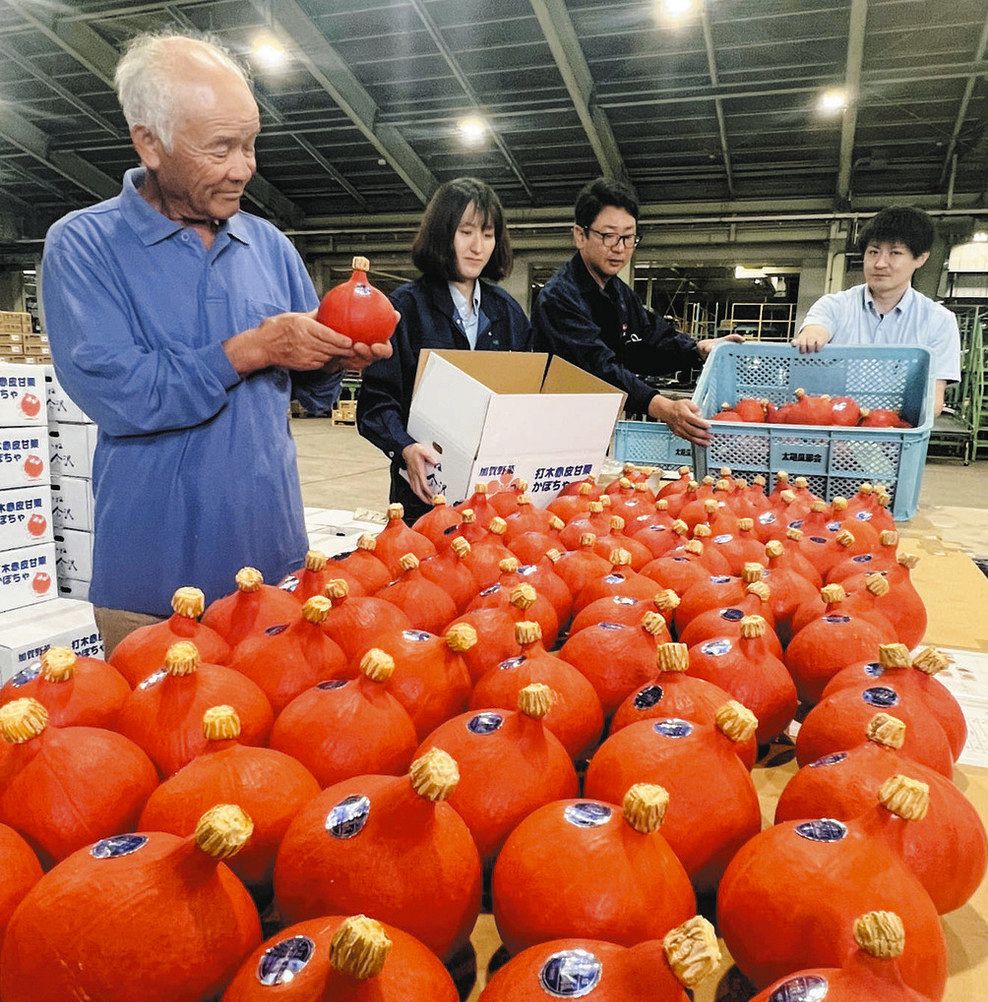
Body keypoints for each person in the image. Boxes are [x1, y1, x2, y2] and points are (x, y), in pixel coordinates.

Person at [42, 32, 392, 652]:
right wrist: (254, 348)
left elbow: (307, 395)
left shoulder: (271, 247)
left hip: (272, 565)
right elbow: (126, 396)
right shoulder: (84, 247)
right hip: (151, 583)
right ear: (149, 142)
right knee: (157, 738)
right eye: (220, 148)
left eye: (251, 143)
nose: (244, 167)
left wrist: (329, 358)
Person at [357, 177, 531, 522]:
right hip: (425, 493)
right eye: (466, 232)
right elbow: (376, 402)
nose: (478, 246)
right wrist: (405, 447)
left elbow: (526, 396)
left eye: (487, 234)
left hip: (496, 494)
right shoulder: (405, 309)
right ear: (442, 233)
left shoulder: (507, 312)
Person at [531, 177, 742, 447]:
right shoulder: (559, 297)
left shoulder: (619, 293)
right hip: (552, 430)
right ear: (580, 235)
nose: (619, 248)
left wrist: (696, 349)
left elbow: (649, 342)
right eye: (608, 236)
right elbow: (597, 368)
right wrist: (662, 407)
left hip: (597, 427)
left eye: (628, 237)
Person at [794, 206, 960, 416]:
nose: (880, 263)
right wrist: (812, 335)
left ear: (921, 258)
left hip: (896, 438)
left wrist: (887, 426)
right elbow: (816, 328)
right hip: (832, 435)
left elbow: (933, 401)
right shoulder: (834, 305)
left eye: (895, 253)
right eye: (873, 252)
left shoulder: (939, 321)